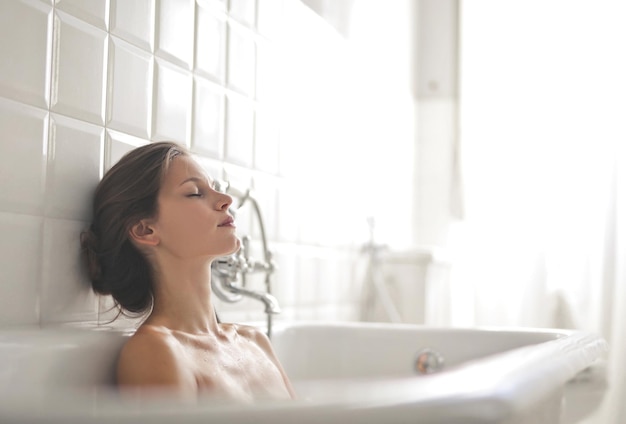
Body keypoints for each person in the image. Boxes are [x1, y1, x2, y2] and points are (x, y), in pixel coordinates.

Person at [80, 141, 295, 402]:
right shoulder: (156, 352)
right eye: (195, 193)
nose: (226, 200)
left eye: (214, 189)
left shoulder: (255, 341)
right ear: (145, 230)